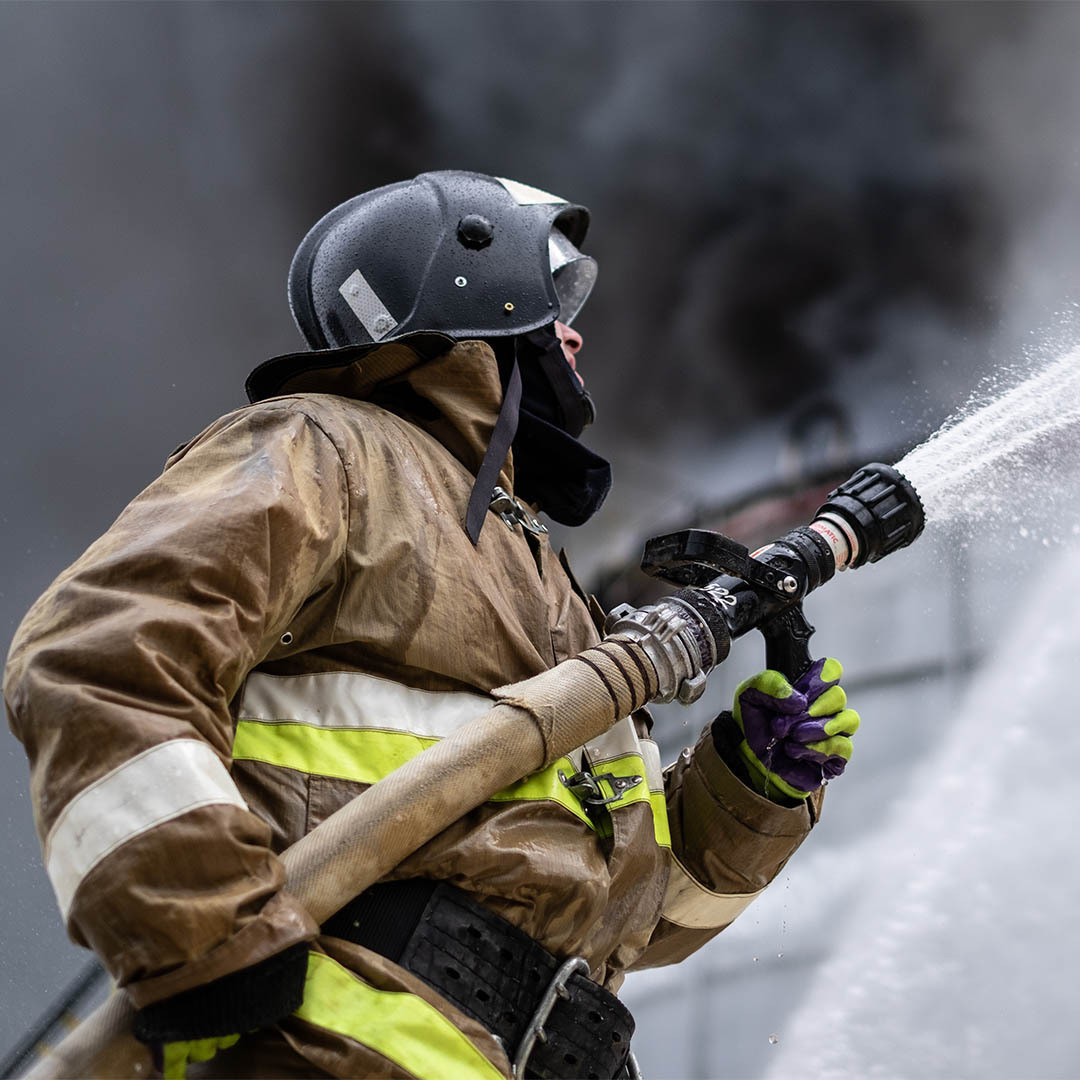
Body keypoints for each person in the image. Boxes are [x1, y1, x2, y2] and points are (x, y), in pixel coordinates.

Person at [3, 171, 859, 1079]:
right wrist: (199, 937)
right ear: (471, 285)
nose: (575, 329)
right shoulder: (329, 448)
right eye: (553, 289)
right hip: (329, 1052)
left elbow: (636, 923)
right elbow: (99, 656)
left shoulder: (547, 581)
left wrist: (749, 791)